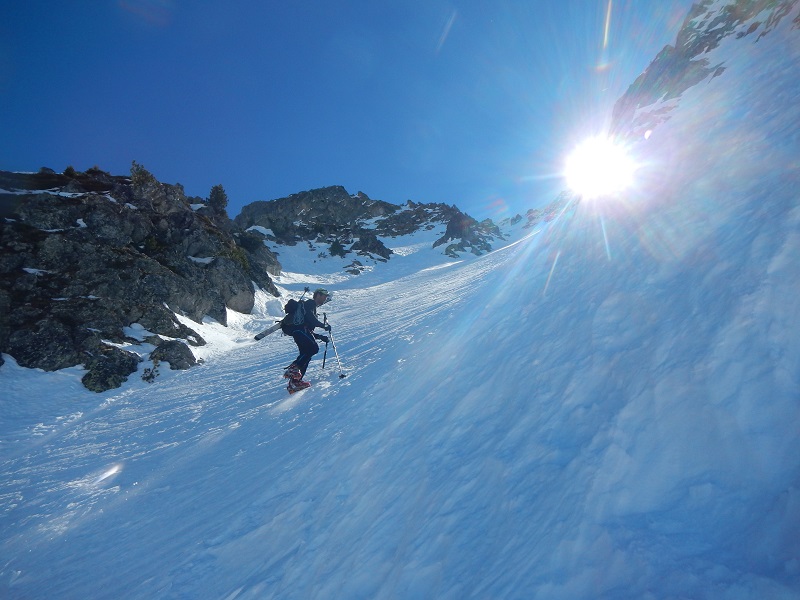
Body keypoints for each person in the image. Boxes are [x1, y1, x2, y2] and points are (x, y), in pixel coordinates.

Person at [284, 288, 332, 392]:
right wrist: (323, 326)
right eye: (324, 296)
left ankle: (295, 382)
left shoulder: (309, 306)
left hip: (299, 331)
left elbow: (308, 327)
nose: (325, 298)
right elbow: (311, 319)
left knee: (306, 355)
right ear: (318, 295)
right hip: (301, 331)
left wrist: (320, 337)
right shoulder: (310, 303)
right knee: (313, 348)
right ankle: (294, 368)